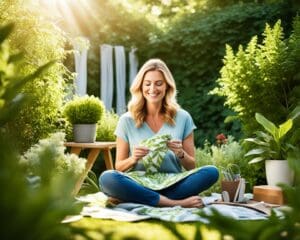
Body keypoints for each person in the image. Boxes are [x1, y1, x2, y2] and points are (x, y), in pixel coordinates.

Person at [99, 58, 219, 208]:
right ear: (141, 87)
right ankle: (174, 202)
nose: (152, 89)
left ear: (167, 86)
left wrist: (180, 153)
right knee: (107, 178)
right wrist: (133, 159)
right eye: (147, 83)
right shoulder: (126, 120)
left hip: (173, 183)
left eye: (158, 83)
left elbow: (191, 166)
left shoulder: (183, 118)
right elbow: (119, 167)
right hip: (140, 183)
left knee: (211, 172)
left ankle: (137, 198)